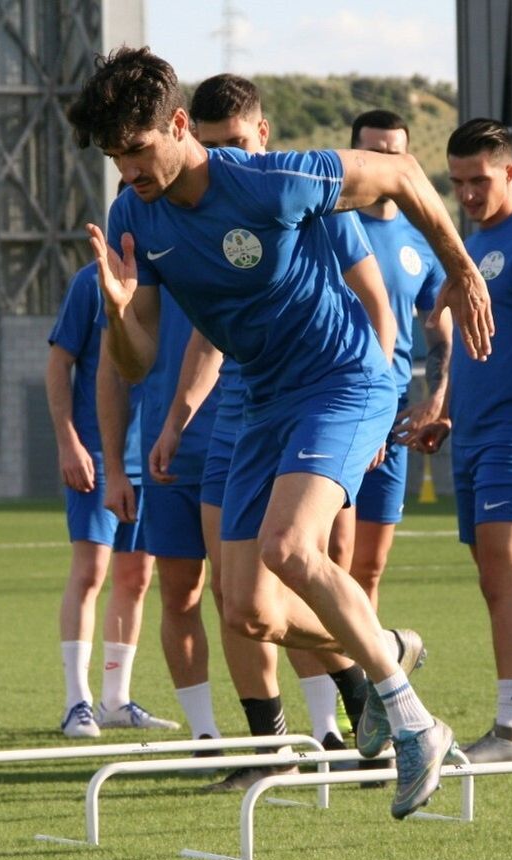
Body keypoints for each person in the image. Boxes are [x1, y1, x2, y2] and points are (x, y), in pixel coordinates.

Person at [68, 46, 493, 820]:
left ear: (177, 124)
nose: (126, 170)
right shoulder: (135, 213)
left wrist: (459, 267)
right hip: (262, 401)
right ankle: (384, 647)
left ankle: (411, 718)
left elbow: (395, 175)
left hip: (341, 380)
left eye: (134, 149)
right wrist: (123, 311)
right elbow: (134, 360)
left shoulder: (268, 180)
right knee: (248, 612)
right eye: (112, 157)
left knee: (291, 549)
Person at [148, 75, 385, 790]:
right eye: (208, 147)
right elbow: (210, 333)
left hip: (321, 398)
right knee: (240, 599)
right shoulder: (181, 208)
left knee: (303, 561)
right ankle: (272, 744)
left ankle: (357, 710)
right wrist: (178, 418)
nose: (218, 160)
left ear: (261, 134)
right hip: (241, 413)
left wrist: (372, 409)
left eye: (233, 145)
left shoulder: (298, 194)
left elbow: (375, 304)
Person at [406, 119, 512, 763]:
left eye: (479, 180)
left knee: (505, 569)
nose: (469, 194)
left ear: (510, 173)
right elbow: (463, 340)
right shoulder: (466, 245)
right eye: (457, 183)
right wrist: (443, 406)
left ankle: (509, 734)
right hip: (472, 431)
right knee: (491, 577)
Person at [46, 261, 175, 737]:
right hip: (99, 453)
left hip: (155, 452)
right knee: (90, 571)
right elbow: (60, 361)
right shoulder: (89, 281)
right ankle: (76, 701)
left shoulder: (177, 271)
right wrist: (68, 442)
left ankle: (114, 699)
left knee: (137, 577)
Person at [95, 288, 222, 747]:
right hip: (164, 461)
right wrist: (114, 469)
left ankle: (300, 726)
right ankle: (205, 734)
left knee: (243, 599)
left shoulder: (232, 239)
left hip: (237, 448)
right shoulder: (140, 262)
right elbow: (112, 367)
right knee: (179, 595)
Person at [346, 109, 453, 608]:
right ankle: (328, 684)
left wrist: (438, 397)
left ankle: (360, 684)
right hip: (338, 409)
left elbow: (439, 331)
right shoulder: (334, 226)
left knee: (369, 567)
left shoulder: (421, 239)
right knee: (331, 558)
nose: (387, 164)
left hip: (394, 415)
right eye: (374, 154)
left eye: (396, 154)